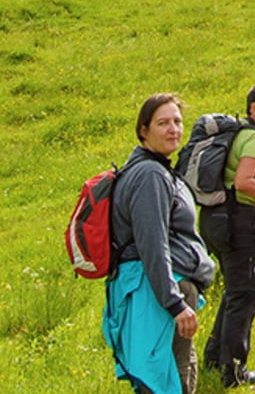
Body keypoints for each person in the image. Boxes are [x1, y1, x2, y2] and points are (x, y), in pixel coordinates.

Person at [106, 92, 217, 394]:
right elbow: (152, 245)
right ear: (144, 130)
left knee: (165, 378)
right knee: (168, 381)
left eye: (178, 122)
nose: (173, 129)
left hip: (154, 290)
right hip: (157, 295)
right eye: (163, 123)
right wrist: (175, 304)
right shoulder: (150, 175)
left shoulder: (154, 169)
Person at [199, 81, 255, 387]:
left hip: (214, 219)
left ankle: (213, 358)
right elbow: (245, 181)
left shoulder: (235, 134)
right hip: (237, 221)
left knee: (235, 290)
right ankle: (234, 371)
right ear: (253, 108)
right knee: (245, 294)